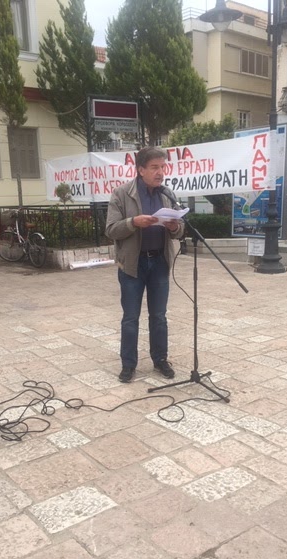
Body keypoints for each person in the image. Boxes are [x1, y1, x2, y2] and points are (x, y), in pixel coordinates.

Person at [106, 147, 185, 383]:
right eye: (154, 167)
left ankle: (160, 360)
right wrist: (133, 222)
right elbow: (111, 230)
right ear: (141, 170)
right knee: (131, 318)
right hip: (133, 264)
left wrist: (175, 227)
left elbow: (180, 230)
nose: (160, 172)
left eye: (163, 167)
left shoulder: (167, 194)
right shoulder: (121, 194)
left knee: (159, 316)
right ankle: (128, 365)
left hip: (159, 262)